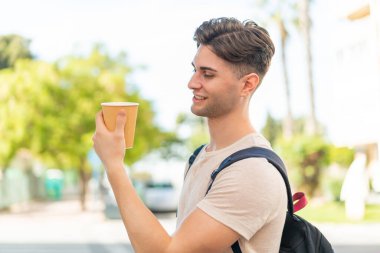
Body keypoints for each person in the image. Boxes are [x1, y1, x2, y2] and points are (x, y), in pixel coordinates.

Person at [93, 17, 287, 253]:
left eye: (208, 74)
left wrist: (114, 166)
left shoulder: (252, 172)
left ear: (247, 85)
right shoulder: (201, 156)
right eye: (195, 70)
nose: (192, 83)